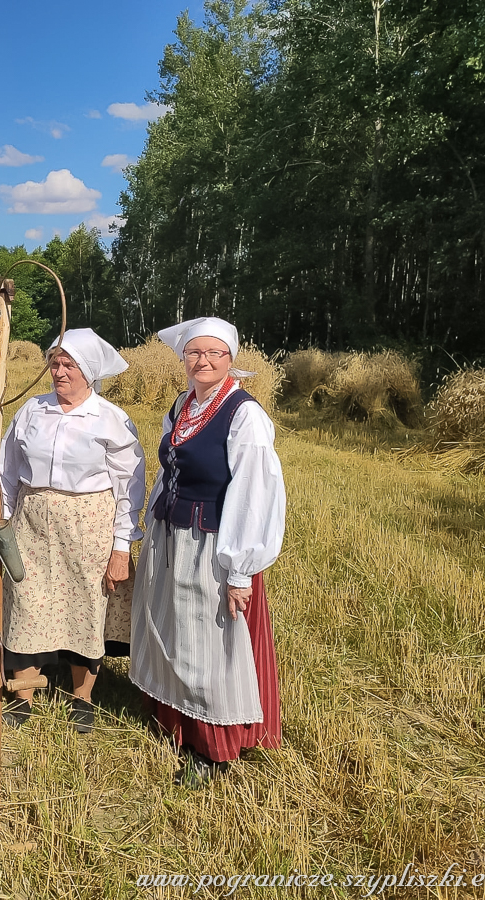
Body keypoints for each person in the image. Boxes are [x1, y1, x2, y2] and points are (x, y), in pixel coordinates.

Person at [129, 316, 286, 786]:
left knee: (211, 642)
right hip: (173, 534)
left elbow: (255, 492)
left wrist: (239, 571)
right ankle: (179, 720)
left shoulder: (244, 414)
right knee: (177, 631)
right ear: (183, 359)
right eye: (195, 353)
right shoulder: (182, 405)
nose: (204, 361)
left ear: (231, 360)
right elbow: (169, 469)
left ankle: (214, 747)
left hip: (215, 543)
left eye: (215, 353)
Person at [0, 329, 146, 733]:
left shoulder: (112, 419)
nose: (59, 372)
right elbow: (6, 469)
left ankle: (82, 698)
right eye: (55, 363)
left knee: (86, 603)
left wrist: (121, 547)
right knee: (27, 598)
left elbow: (129, 486)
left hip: (88, 523)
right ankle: (23, 694)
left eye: (69, 365)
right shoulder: (32, 410)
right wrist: (3, 519)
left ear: (89, 371)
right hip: (32, 521)